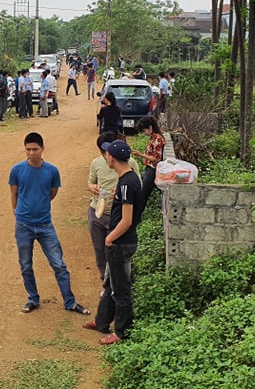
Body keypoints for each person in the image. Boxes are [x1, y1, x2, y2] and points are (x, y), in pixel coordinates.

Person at [9, 132, 90, 316]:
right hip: (23, 225)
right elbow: (14, 192)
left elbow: (52, 193)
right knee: (25, 264)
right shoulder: (17, 170)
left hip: (45, 225)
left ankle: (69, 301)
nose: (31, 153)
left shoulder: (52, 171)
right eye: (28, 149)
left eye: (35, 149)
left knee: (59, 265)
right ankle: (32, 298)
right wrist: (16, 211)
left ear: (42, 149)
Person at [83, 139, 142, 345]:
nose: (105, 156)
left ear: (112, 158)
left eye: (107, 154)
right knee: (110, 283)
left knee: (120, 288)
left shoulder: (127, 184)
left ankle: (122, 331)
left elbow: (126, 220)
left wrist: (110, 237)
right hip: (121, 241)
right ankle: (101, 321)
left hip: (121, 243)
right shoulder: (129, 179)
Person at [87, 132, 140, 281]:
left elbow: (136, 189)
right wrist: (93, 188)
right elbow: (90, 182)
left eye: (108, 151)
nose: (106, 156)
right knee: (99, 249)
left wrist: (119, 194)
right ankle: (106, 280)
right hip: (98, 211)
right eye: (103, 152)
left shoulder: (130, 165)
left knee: (116, 251)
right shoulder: (96, 163)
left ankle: (120, 282)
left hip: (118, 216)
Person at [131, 115, 165, 214]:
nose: (144, 133)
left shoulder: (158, 139)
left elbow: (156, 159)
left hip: (153, 169)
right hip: (149, 168)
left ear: (150, 127)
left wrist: (140, 154)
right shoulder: (152, 138)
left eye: (144, 130)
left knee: (143, 194)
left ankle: (137, 215)